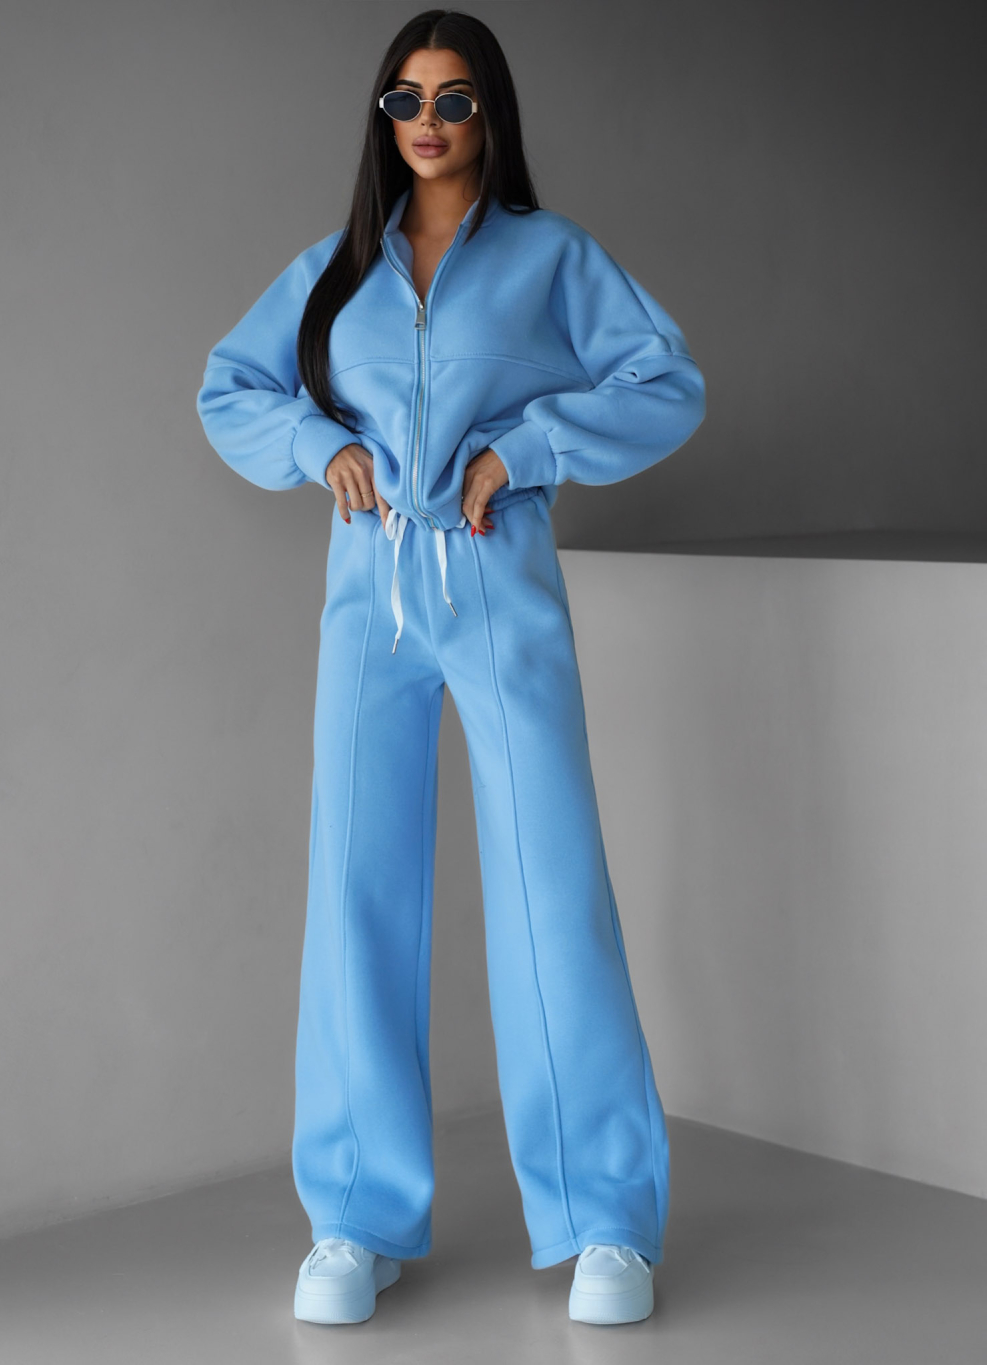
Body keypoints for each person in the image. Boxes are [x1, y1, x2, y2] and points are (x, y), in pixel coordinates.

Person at [196, 7, 705, 1329]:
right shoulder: (333, 272)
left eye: (456, 98)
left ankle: (605, 1221)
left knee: (551, 886)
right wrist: (317, 447)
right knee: (355, 888)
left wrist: (527, 449)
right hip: (369, 600)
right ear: (385, 116)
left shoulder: (551, 257)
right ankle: (353, 1217)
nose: (429, 121)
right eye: (407, 99)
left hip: (496, 583)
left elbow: (667, 382)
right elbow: (229, 389)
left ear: (491, 114)